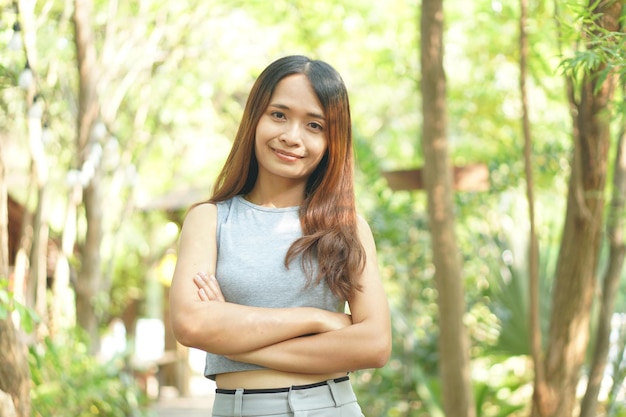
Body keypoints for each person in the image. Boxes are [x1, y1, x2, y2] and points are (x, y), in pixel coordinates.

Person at [169, 55, 391, 417]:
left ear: (332, 139)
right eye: (279, 115)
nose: (292, 136)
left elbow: (374, 344)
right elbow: (192, 324)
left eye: (314, 125)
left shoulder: (347, 228)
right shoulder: (208, 220)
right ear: (255, 117)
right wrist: (315, 319)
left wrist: (230, 337)